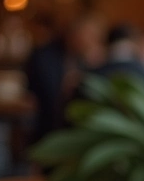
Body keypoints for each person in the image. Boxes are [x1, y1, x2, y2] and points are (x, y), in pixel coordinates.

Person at [24, 13, 105, 146]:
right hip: (48, 127)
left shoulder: (90, 60)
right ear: (74, 34)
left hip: (77, 129)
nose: (92, 42)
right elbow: (48, 95)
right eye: (89, 36)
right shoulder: (45, 56)